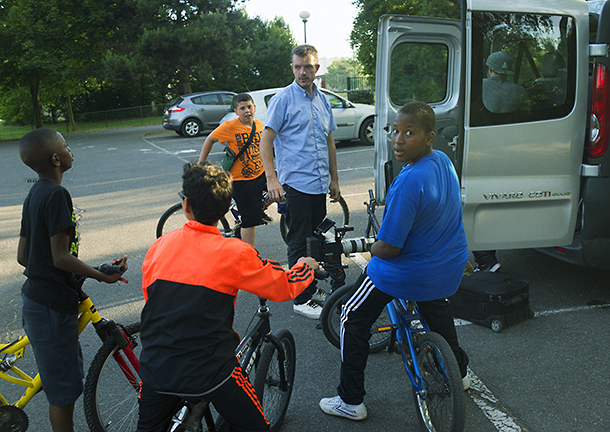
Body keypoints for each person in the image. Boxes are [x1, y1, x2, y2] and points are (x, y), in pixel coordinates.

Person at [136, 161, 319, 432]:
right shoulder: (235, 252)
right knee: (257, 428)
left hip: (155, 367)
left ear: (186, 206)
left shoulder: (159, 246)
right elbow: (281, 286)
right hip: (211, 370)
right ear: (225, 208)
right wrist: (306, 267)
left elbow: (152, 299)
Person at [319, 102, 470, 420]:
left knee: (351, 317)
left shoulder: (407, 182)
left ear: (429, 137)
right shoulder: (443, 161)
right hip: (448, 264)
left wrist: (365, 249)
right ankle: (460, 372)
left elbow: (389, 248)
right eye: (395, 131)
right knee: (437, 311)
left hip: (407, 272)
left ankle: (350, 400)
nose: (398, 140)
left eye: (409, 133)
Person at [16, 128, 128, 432]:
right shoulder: (57, 194)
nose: (70, 149)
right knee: (62, 395)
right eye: (66, 146)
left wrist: (84, 269)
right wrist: (102, 276)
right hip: (52, 306)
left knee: (62, 387)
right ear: (56, 158)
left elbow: (24, 257)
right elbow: (60, 258)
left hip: (38, 298)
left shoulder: (35, 194)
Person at [260, 44, 340, 319]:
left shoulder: (322, 99)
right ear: (292, 67)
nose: (302, 72)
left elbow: (329, 140)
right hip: (295, 183)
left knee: (315, 240)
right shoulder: (283, 99)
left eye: (307, 67)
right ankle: (301, 298)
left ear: (317, 68)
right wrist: (272, 179)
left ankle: (309, 287)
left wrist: (334, 179)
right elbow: (266, 140)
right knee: (298, 242)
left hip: (318, 183)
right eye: (297, 67)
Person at [199, 93, 265, 246]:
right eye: (242, 108)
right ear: (236, 111)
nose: (247, 110)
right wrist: (201, 164)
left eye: (249, 107)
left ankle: (258, 212)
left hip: (259, 175)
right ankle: (249, 255)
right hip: (241, 181)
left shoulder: (259, 125)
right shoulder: (230, 126)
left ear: (254, 108)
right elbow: (210, 139)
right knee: (249, 221)